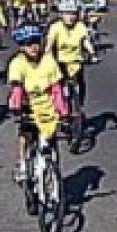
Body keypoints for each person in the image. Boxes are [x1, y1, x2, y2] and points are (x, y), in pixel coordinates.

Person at [7, 23, 70, 183]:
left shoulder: (49, 61)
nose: (33, 47)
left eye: (36, 42)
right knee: (26, 133)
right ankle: (22, 164)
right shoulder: (17, 63)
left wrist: (64, 112)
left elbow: (57, 90)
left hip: (48, 106)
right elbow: (17, 90)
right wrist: (16, 109)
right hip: (28, 105)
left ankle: (53, 168)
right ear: (21, 46)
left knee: (51, 138)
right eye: (28, 44)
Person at [45, 0, 95, 109]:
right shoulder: (55, 27)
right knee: (57, 84)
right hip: (60, 62)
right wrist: (46, 55)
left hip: (76, 61)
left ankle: (79, 104)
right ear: (61, 14)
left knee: (80, 83)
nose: (71, 17)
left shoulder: (80, 26)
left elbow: (85, 41)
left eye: (73, 14)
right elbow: (50, 43)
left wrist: (92, 53)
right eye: (67, 13)